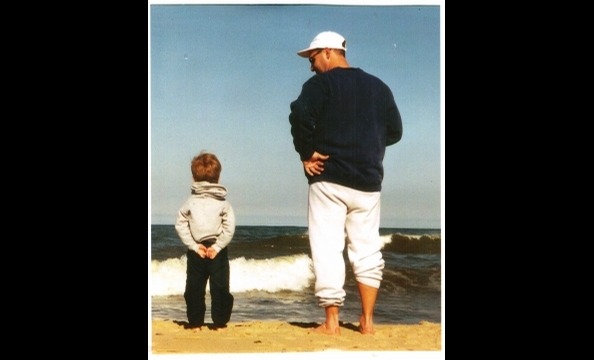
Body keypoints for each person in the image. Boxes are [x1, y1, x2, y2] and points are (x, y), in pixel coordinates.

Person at [288, 31, 403, 335]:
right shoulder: (380, 87)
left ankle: (332, 322)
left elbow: (299, 113)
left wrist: (306, 151)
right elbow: (395, 131)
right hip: (368, 180)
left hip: (330, 177)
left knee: (327, 246)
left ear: (327, 52)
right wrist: (367, 145)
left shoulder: (321, 84)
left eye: (312, 59)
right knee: (367, 250)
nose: (311, 66)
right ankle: (367, 321)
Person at [175, 151, 236, 331]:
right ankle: (219, 323)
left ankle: (195, 324)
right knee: (220, 289)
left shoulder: (191, 202)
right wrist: (216, 246)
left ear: (193, 179)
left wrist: (194, 246)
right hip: (213, 250)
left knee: (194, 290)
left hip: (201, 249)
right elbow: (229, 228)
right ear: (218, 178)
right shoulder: (223, 203)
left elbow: (180, 225)